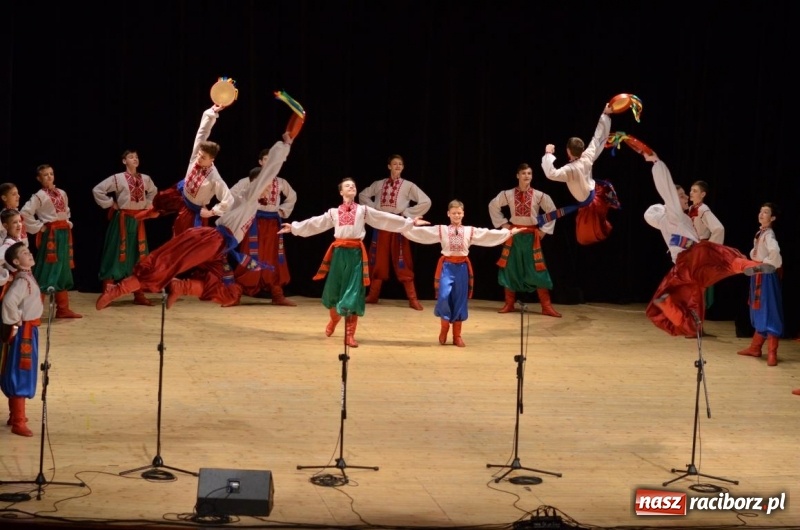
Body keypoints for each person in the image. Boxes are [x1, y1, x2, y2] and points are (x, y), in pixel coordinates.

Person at [96, 131, 295, 311]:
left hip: (220, 247)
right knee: (164, 264)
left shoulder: (246, 200)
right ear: (257, 184)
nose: (270, 188)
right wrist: (284, 146)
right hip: (211, 239)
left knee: (225, 290)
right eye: (267, 184)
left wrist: (214, 210)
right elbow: (268, 171)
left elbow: (230, 199)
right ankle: (117, 290)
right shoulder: (250, 196)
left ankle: (181, 286)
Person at [279, 177, 429, 348]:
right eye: (347, 186)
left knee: (354, 293)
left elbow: (384, 219)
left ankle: (349, 334)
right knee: (333, 292)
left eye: (353, 185)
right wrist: (295, 227)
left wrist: (410, 222)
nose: (351, 187)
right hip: (339, 254)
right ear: (341, 192)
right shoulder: (334, 212)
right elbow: (316, 223)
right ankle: (334, 320)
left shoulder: (363, 210)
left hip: (355, 255)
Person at [642, 152, 772, 336]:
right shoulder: (674, 214)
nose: (686, 197)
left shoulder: (669, 221)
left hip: (682, 268)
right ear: (670, 202)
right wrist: (656, 162)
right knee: (728, 258)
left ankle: (668, 305)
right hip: (695, 256)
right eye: (681, 196)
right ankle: (752, 265)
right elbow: (666, 188)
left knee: (693, 313)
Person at [404, 200, 521, 347]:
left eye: (459, 213)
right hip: (447, 267)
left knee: (460, 299)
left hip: (462, 268)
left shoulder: (469, 230)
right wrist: (410, 225)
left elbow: (487, 235)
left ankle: (457, 335)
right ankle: (444, 328)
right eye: (454, 213)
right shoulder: (442, 230)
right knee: (444, 296)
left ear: (463, 213)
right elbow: (423, 234)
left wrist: (509, 232)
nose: (456, 215)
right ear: (448, 214)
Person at [358, 154, 431, 310]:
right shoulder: (379, 184)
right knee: (378, 257)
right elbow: (363, 195)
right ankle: (373, 295)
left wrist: (407, 212)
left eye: (400, 164)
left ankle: (412, 298)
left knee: (402, 257)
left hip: (398, 224)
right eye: (394, 164)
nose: (398, 166)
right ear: (389, 166)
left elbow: (426, 201)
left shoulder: (408, 185)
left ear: (403, 167)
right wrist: (374, 210)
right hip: (382, 223)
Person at [488, 163, 559, 317]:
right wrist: (504, 224)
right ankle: (509, 303)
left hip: (531, 237)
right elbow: (493, 205)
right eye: (524, 173)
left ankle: (546, 306)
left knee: (537, 269)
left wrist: (543, 231)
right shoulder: (508, 194)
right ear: (517, 175)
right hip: (514, 236)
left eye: (529, 173)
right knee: (510, 268)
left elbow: (552, 212)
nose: (527, 176)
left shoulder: (539, 195)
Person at [153, 105, 234, 237]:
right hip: (180, 195)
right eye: (199, 155)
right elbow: (202, 133)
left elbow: (228, 200)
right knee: (156, 204)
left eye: (203, 157)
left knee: (186, 244)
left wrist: (211, 212)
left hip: (193, 212)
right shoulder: (197, 155)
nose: (198, 159)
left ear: (211, 159)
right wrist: (212, 112)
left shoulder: (214, 177)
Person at [541, 104, 617, 245]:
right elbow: (597, 138)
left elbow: (550, 173)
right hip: (596, 197)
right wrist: (605, 115)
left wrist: (548, 153)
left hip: (589, 206)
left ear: (568, 151)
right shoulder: (587, 156)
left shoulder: (570, 170)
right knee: (599, 228)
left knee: (586, 237)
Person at [230, 150, 298, 305]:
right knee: (249, 254)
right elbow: (231, 194)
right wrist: (245, 208)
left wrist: (281, 210)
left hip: (273, 223)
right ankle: (237, 292)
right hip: (253, 222)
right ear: (260, 162)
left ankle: (277, 293)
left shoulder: (280, 182)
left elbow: (292, 196)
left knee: (273, 256)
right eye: (266, 159)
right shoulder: (250, 180)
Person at [92, 149, 158, 306]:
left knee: (139, 254)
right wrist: (111, 204)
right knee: (115, 252)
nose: (135, 159)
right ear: (124, 161)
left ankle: (139, 294)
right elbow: (97, 190)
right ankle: (107, 293)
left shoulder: (146, 178)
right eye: (131, 157)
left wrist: (147, 205)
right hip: (122, 220)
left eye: (136, 157)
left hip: (138, 220)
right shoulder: (118, 178)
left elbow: (154, 192)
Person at [20, 164, 82, 318]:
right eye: (45, 175)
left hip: (63, 233)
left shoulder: (62, 193)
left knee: (63, 268)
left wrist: (67, 222)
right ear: (39, 178)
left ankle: (62, 309)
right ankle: (35, 313)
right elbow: (24, 213)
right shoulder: (39, 196)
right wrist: (39, 227)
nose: (49, 177)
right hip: (51, 236)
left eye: (51, 174)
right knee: (47, 269)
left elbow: (66, 211)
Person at [1, 242, 43, 437]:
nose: (29, 254)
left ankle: (14, 415)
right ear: (17, 261)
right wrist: (16, 320)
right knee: (21, 370)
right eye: (24, 253)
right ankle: (18, 420)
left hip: (29, 328)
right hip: (24, 330)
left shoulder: (26, 277)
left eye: (29, 251)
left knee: (22, 368)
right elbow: (9, 302)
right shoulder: (21, 281)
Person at [736, 203, 783, 367]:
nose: (761, 214)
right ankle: (755, 347)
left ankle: (772, 352)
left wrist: (765, 264)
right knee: (758, 309)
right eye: (761, 211)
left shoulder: (769, 234)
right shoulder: (760, 233)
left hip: (766, 277)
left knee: (768, 310)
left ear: (773, 218)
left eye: (766, 212)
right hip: (758, 274)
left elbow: (775, 253)